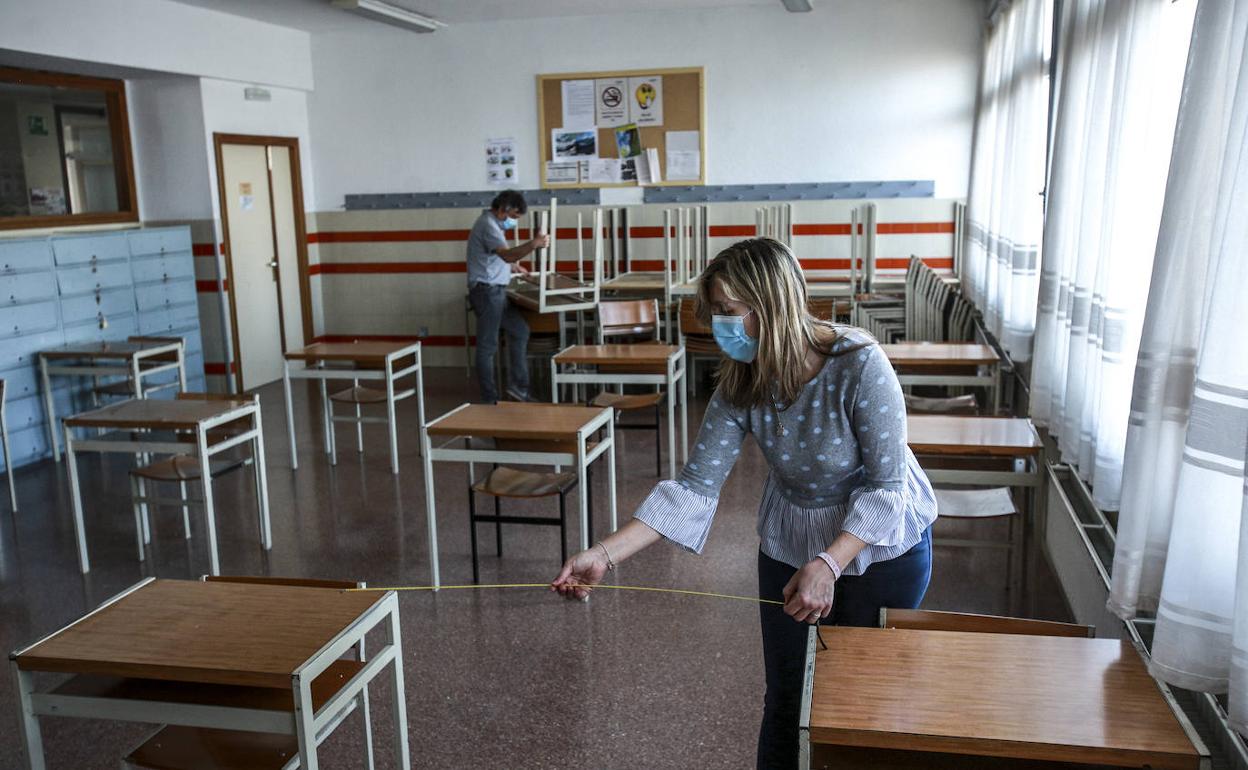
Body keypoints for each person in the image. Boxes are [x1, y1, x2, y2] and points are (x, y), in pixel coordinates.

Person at [551, 238, 938, 769]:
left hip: (879, 549)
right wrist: (603, 554)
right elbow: (693, 489)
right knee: (786, 699)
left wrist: (830, 562)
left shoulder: (859, 363)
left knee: (860, 703)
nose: (719, 325)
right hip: (791, 539)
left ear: (771, 305)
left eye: (728, 310)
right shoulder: (743, 383)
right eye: (715, 311)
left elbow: (887, 489)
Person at [466, 190, 549, 403]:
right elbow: (506, 254)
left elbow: (495, 257)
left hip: (495, 291)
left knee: (520, 331)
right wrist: (534, 243)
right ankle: (490, 399)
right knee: (487, 346)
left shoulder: (493, 225)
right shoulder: (488, 225)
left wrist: (515, 267)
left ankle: (518, 388)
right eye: (512, 216)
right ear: (503, 209)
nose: (513, 221)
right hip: (487, 291)